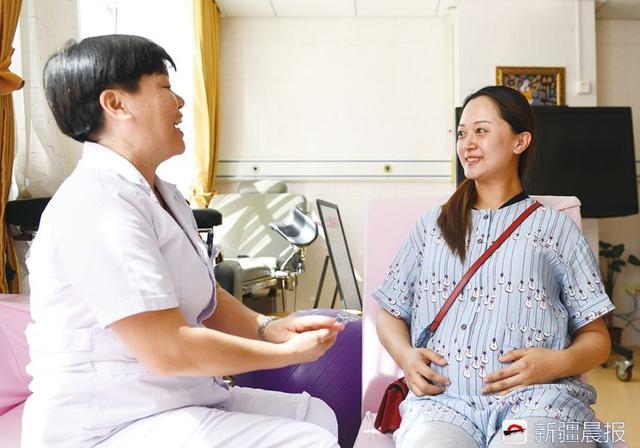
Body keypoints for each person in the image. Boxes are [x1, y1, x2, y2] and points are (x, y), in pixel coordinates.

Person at [22, 34, 343, 448]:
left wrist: (269, 328)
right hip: (108, 423)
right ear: (116, 104)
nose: (180, 102)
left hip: (170, 402)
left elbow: (202, 296)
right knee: (306, 442)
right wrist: (287, 355)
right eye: (164, 87)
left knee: (316, 417)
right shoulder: (96, 204)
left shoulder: (162, 193)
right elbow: (166, 350)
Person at [374, 86, 614, 448]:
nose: (467, 143)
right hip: (443, 405)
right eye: (461, 133)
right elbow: (389, 313)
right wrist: (406, 358)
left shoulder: (554, 227)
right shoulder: (432, 226)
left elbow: (598, 340)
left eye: (481, 131)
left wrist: (555, 363)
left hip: (538, 405)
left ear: (520, 141)